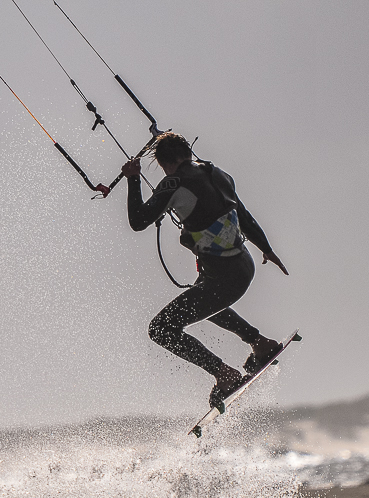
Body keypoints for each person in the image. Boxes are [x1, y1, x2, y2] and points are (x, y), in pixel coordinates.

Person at [121, 132, 289, 410]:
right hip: (244, 268)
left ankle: (224, 374)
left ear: (166, 163)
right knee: (202, 297)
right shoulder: (218, 173)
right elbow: (244, 216)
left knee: (161, 329)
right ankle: (260, 343)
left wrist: (133, 178)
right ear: (187, 151)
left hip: (223, 282)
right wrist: (267, 249)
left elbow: (138, 221)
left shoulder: (174, 182)